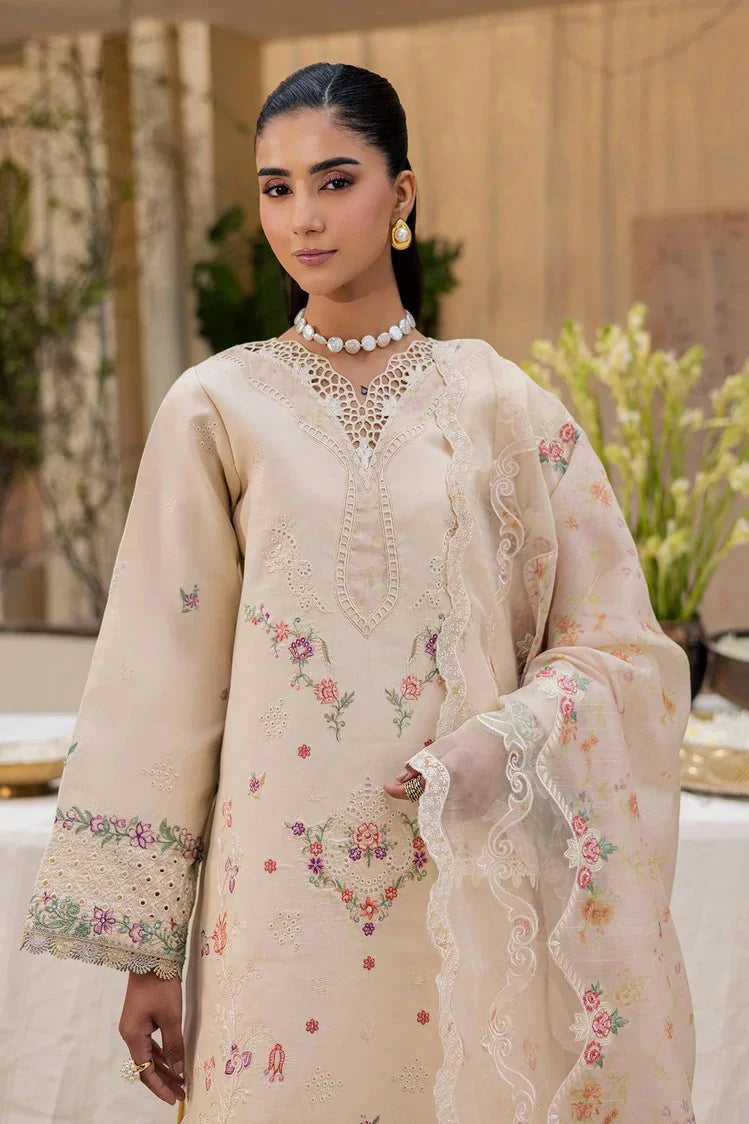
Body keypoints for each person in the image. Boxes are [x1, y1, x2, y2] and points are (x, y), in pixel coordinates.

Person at [19, 61, 697, 1123]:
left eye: (335, 181)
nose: (303, 216)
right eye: (276, 187)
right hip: (272, 904)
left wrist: (507, 740)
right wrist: (146, 950)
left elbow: (623, 650)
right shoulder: (216, 406)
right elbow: (159, 676)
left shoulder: (499, 404)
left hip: (462, 884)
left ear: (400, 194)